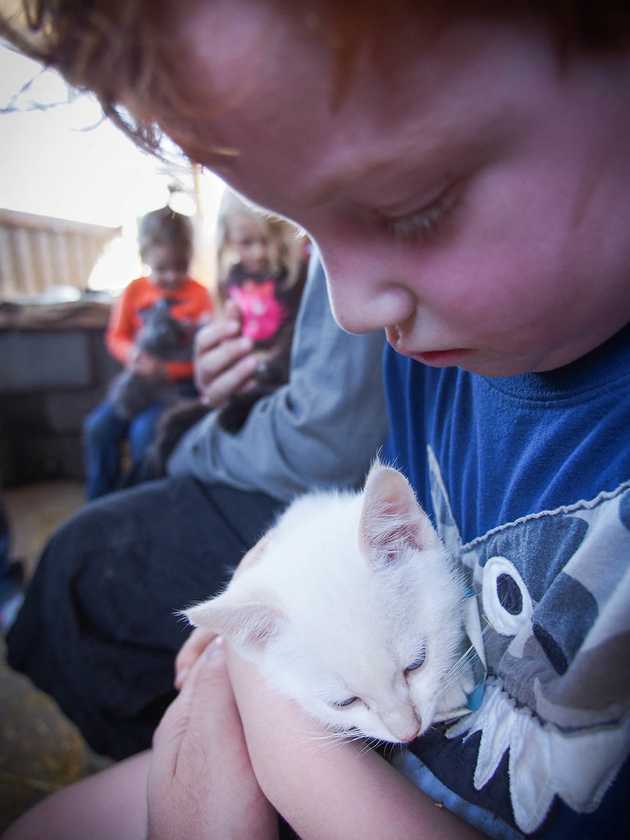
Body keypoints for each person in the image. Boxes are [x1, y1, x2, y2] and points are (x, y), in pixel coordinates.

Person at [2, 2, 630, 839]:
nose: (349, 309)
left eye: (413, 205)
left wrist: (263, 718)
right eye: (307, 236)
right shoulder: (435, 366)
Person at [83, 206, 212, 498]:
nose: (171, 276)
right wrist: (133, 356)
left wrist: (169, 370)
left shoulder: (200, 296)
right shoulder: (134, 291)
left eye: (180, 267)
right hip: (137, 385)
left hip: (176, 389)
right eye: (161, 268)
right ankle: (100, 501)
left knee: (145, 433)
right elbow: (116, 336)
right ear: (144, 258)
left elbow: (201, 354)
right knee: (97, 429)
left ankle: (140, 501)